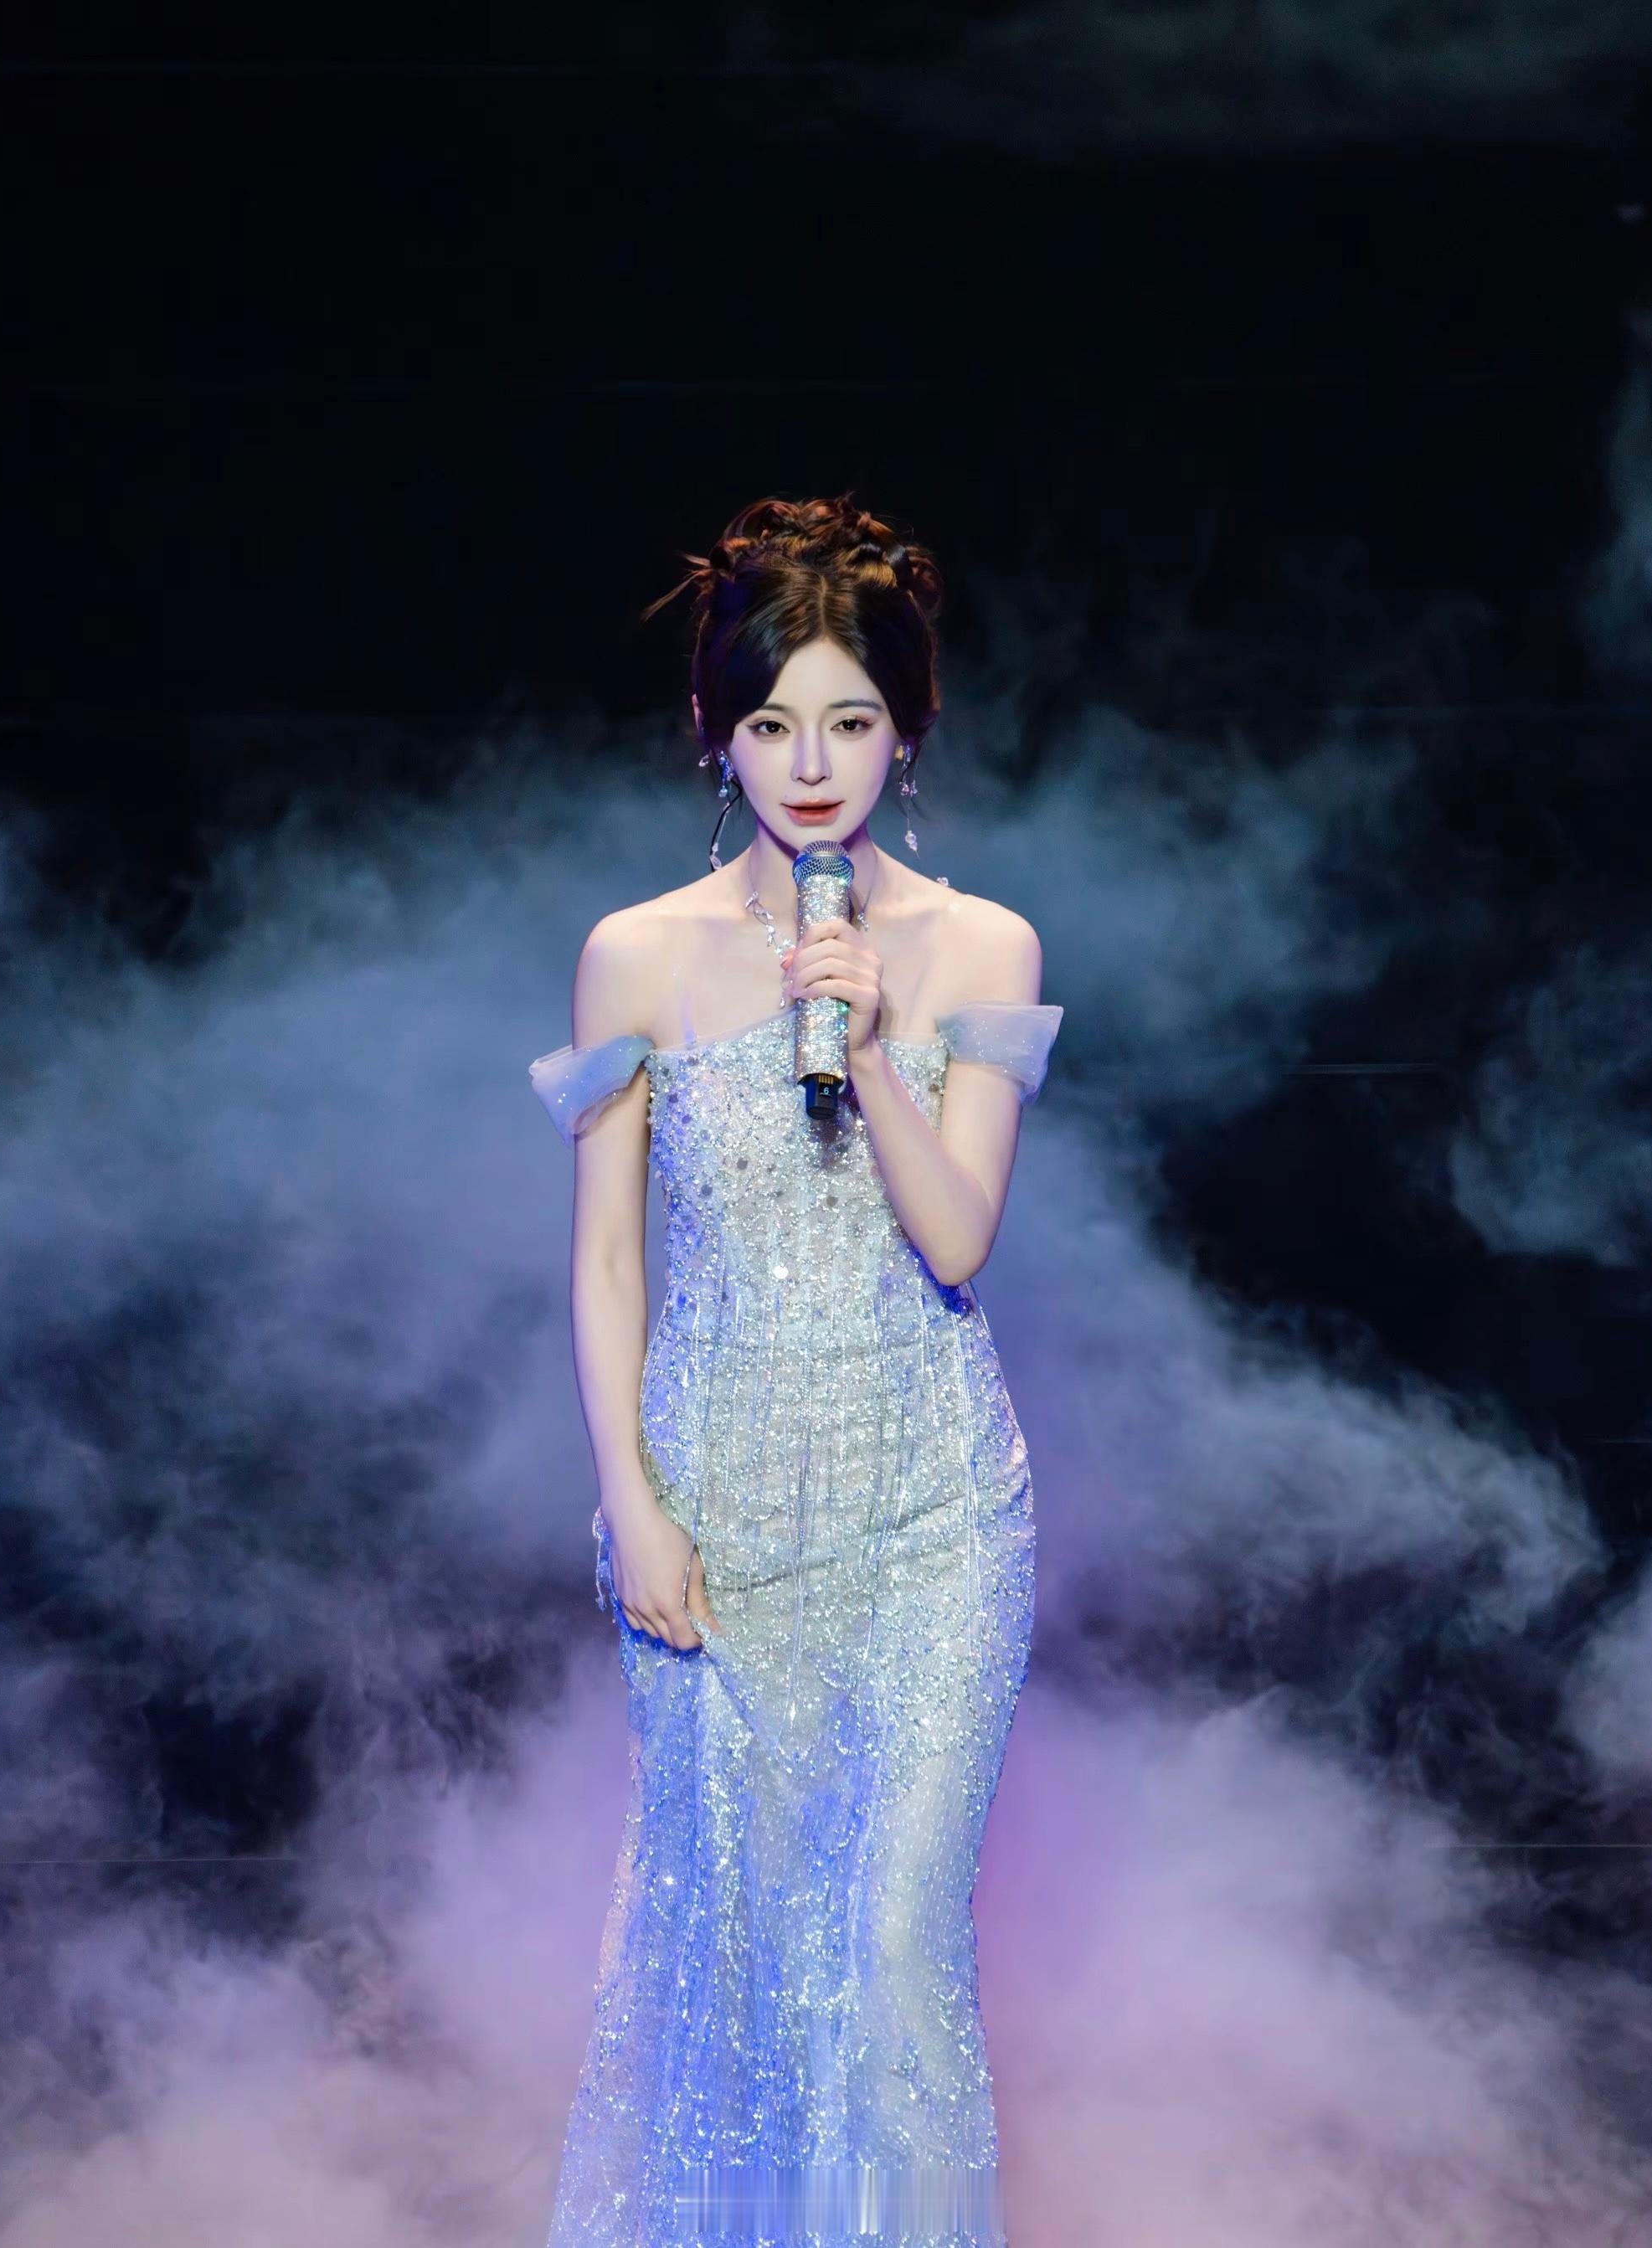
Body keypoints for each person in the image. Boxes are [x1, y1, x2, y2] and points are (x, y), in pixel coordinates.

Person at [528, 492, 1062, 2247]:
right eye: (770, 724)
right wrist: (630, 1499)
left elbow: (958, 1240)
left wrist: (877, 1037)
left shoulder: (981, 946)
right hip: (717, 1513)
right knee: (736, 1966)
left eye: (849, 719)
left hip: (933, 1521)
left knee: (894, 1955)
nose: (811, 764)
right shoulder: (635, 955)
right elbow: (610, 1257)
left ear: (908, 726)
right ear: (715, 733)